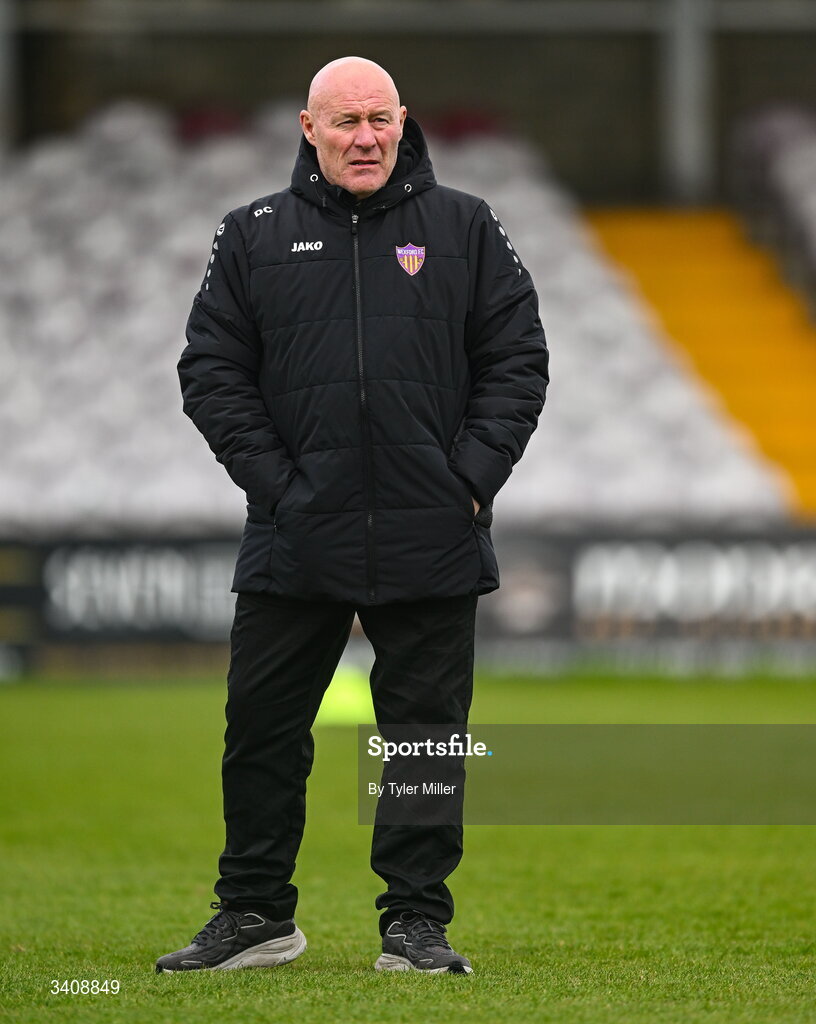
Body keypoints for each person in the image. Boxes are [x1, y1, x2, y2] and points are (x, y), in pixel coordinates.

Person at [156, 56, 548, 976]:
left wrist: (468, 481)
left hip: (431, 526)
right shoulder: (250, 234)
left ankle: (415, 923)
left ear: (403, 121)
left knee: (422, 740)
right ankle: (255, 914)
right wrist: (281, 491)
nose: (366, 137)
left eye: (380, 120)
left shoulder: (465, 225)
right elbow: (209, 373)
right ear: (309, 129)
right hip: (297, 528)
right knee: (259, 730)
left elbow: (518, 360)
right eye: (346, 122)